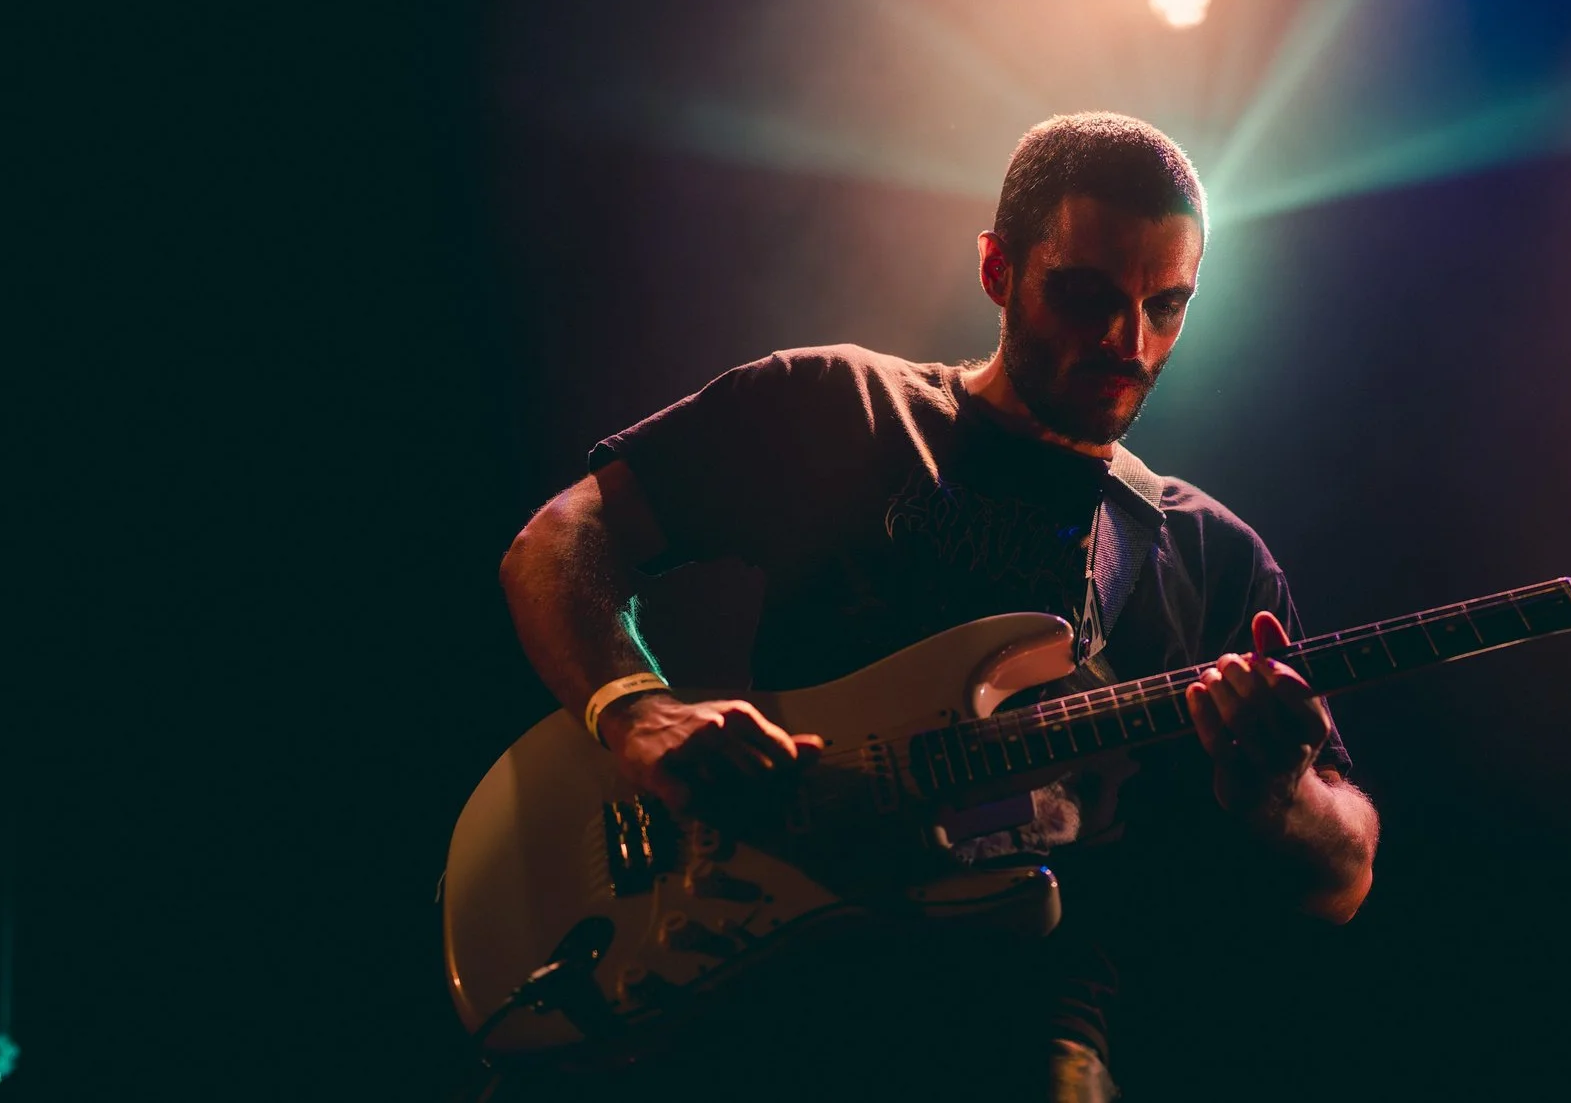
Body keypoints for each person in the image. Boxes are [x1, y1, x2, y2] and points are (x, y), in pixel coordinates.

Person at [500, 112, 1378, 1099]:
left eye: (1165, 304)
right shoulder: (842, 405)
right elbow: (560, 536)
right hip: (747, 960)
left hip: (1027, 1023)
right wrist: (635, 708)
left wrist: (1281, 794)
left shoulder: (1211, 556)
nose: (1127, 340)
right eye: (1086, 295)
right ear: (998, 267)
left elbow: (1342, 877)